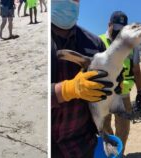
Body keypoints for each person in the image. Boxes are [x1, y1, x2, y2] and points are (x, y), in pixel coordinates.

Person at [51, 0, 118, 157]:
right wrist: (67, 90)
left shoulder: (95, 43)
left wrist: (114, 80)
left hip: (83, 144)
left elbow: (110, 87)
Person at [100, 11, 141, 155]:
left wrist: (140, 92)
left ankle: (120, 153)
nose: (119, 30)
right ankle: (110, 150)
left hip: (124, 95)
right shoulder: (98, 41)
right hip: (103, 96)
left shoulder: (132, 46)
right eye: (116, 26)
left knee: (124, 130)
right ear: (109, 25)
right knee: (104, 128)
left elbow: (136, 70)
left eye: (122, 28)